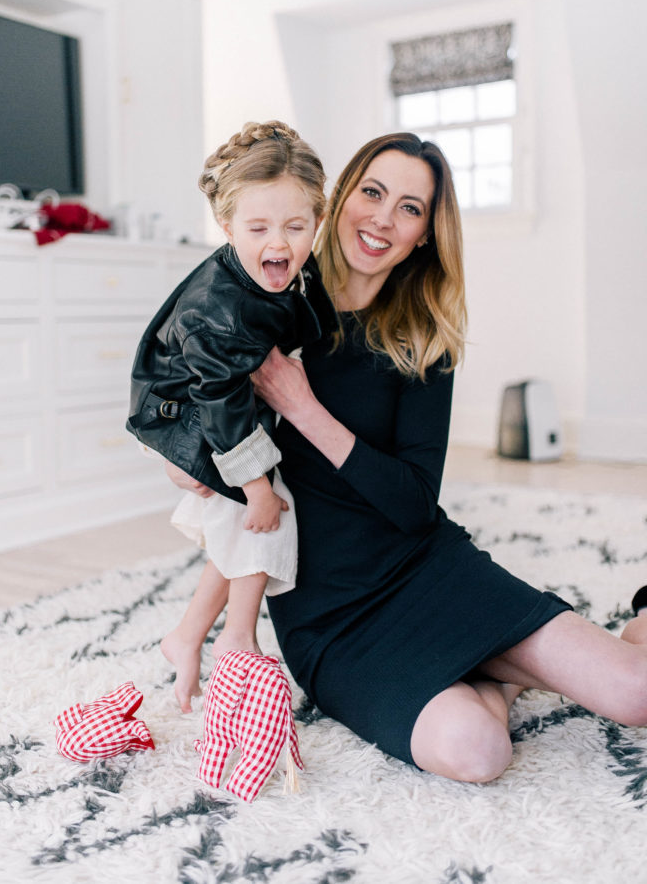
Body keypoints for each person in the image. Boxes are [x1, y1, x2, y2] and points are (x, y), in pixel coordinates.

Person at [169, 130, 647, 781]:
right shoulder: (272, 302)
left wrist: (306, 409)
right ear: (339, 200)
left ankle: (593, 625)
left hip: (424, 567)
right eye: (372, 192)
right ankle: (502, 676)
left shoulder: (423, 339)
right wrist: (179, 466)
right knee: (476, 753)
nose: (383, 219)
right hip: (329, 617)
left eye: (410, 208)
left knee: (635, 692)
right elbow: (218, 452)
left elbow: (416, 504)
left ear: (424, 233)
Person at [127, 120, 335, 712]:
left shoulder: (288, 269)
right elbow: (219, 402)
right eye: (259, 228)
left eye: (296, 227)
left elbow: (304, 317)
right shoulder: (219, 309)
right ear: (226, 227)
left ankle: (188, 635)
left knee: (236, 518)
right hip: (180, 409)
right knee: (264, 512)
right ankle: (240, 638)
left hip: (215, 397)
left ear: (316, 224)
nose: (281, 242)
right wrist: (257, 484)